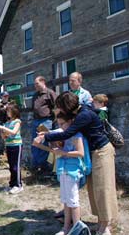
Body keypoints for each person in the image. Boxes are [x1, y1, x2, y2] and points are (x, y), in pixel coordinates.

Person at [36, 92, 118, 235]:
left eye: (61, 107)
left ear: (67, 106)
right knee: (94, 190)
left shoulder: (83, 115)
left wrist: (45, 136)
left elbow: (67, 133)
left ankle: (105, 227)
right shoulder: (81, 112)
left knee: (103, 189)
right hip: (94, 152)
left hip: (102, 151)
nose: (60, 110)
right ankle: (100, 224)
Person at [36, 113, 89, 235]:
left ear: (70, 121)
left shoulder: (76, 134)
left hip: (72, 169)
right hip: (63, 168)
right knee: (66, 200)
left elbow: (80, 153)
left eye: (62, 124)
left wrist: (63, 152)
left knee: (73, 201)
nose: (60, 127)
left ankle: (77, 229)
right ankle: (66, 228)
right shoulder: (63, 135)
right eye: (58, 124)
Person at [31, 76, 57, 173]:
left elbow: (56, 105)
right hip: (36, 121)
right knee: (35, 142)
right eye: (34, 84)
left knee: (43, 142)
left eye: (37, 83)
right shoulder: (35, 95)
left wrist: (55, 119)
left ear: (43, 82)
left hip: (46, 120)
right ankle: (36, 165)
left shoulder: (49, 93)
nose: (35, 86)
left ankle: (44, 167)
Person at [0, 104, 23, 194]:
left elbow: (14, 132)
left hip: (16, 145)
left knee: (16, 166)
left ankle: (18, 185)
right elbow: (4, 137)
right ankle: (12, 184)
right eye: (7, 111)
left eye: (9, 111)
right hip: (9, 145)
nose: (7, 113)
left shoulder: (17, 121)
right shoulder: (7, 123)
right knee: (11, 167)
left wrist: (3, 128)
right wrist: (2, 132)